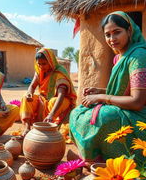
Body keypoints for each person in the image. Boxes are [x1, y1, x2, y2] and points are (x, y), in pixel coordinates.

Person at [69, 11, 146, 162]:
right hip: (126, 108)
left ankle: (103, 162)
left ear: (129, 30)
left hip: (140, 115)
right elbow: (126, 92)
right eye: (108, 34)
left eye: (117, 32)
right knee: (78, 112)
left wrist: (101, 97)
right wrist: (100, 91)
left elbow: (137, 102)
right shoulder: (119, 57)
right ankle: (89, 158)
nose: (112, 39)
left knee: (102, 117)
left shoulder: (138, 56)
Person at [20, 47, 77, 136]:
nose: (41, 67)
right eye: (39, 64)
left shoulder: (59, 72)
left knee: (53, 102)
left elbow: (61, 95)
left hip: (59, 101)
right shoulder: (39, 71)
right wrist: (29, 94)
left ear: (51, 61)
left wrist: (51, 114)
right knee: (25, 98)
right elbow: (32, 86)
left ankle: (49, 127)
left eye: (44, 64)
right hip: (43, 99)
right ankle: (27, 128)